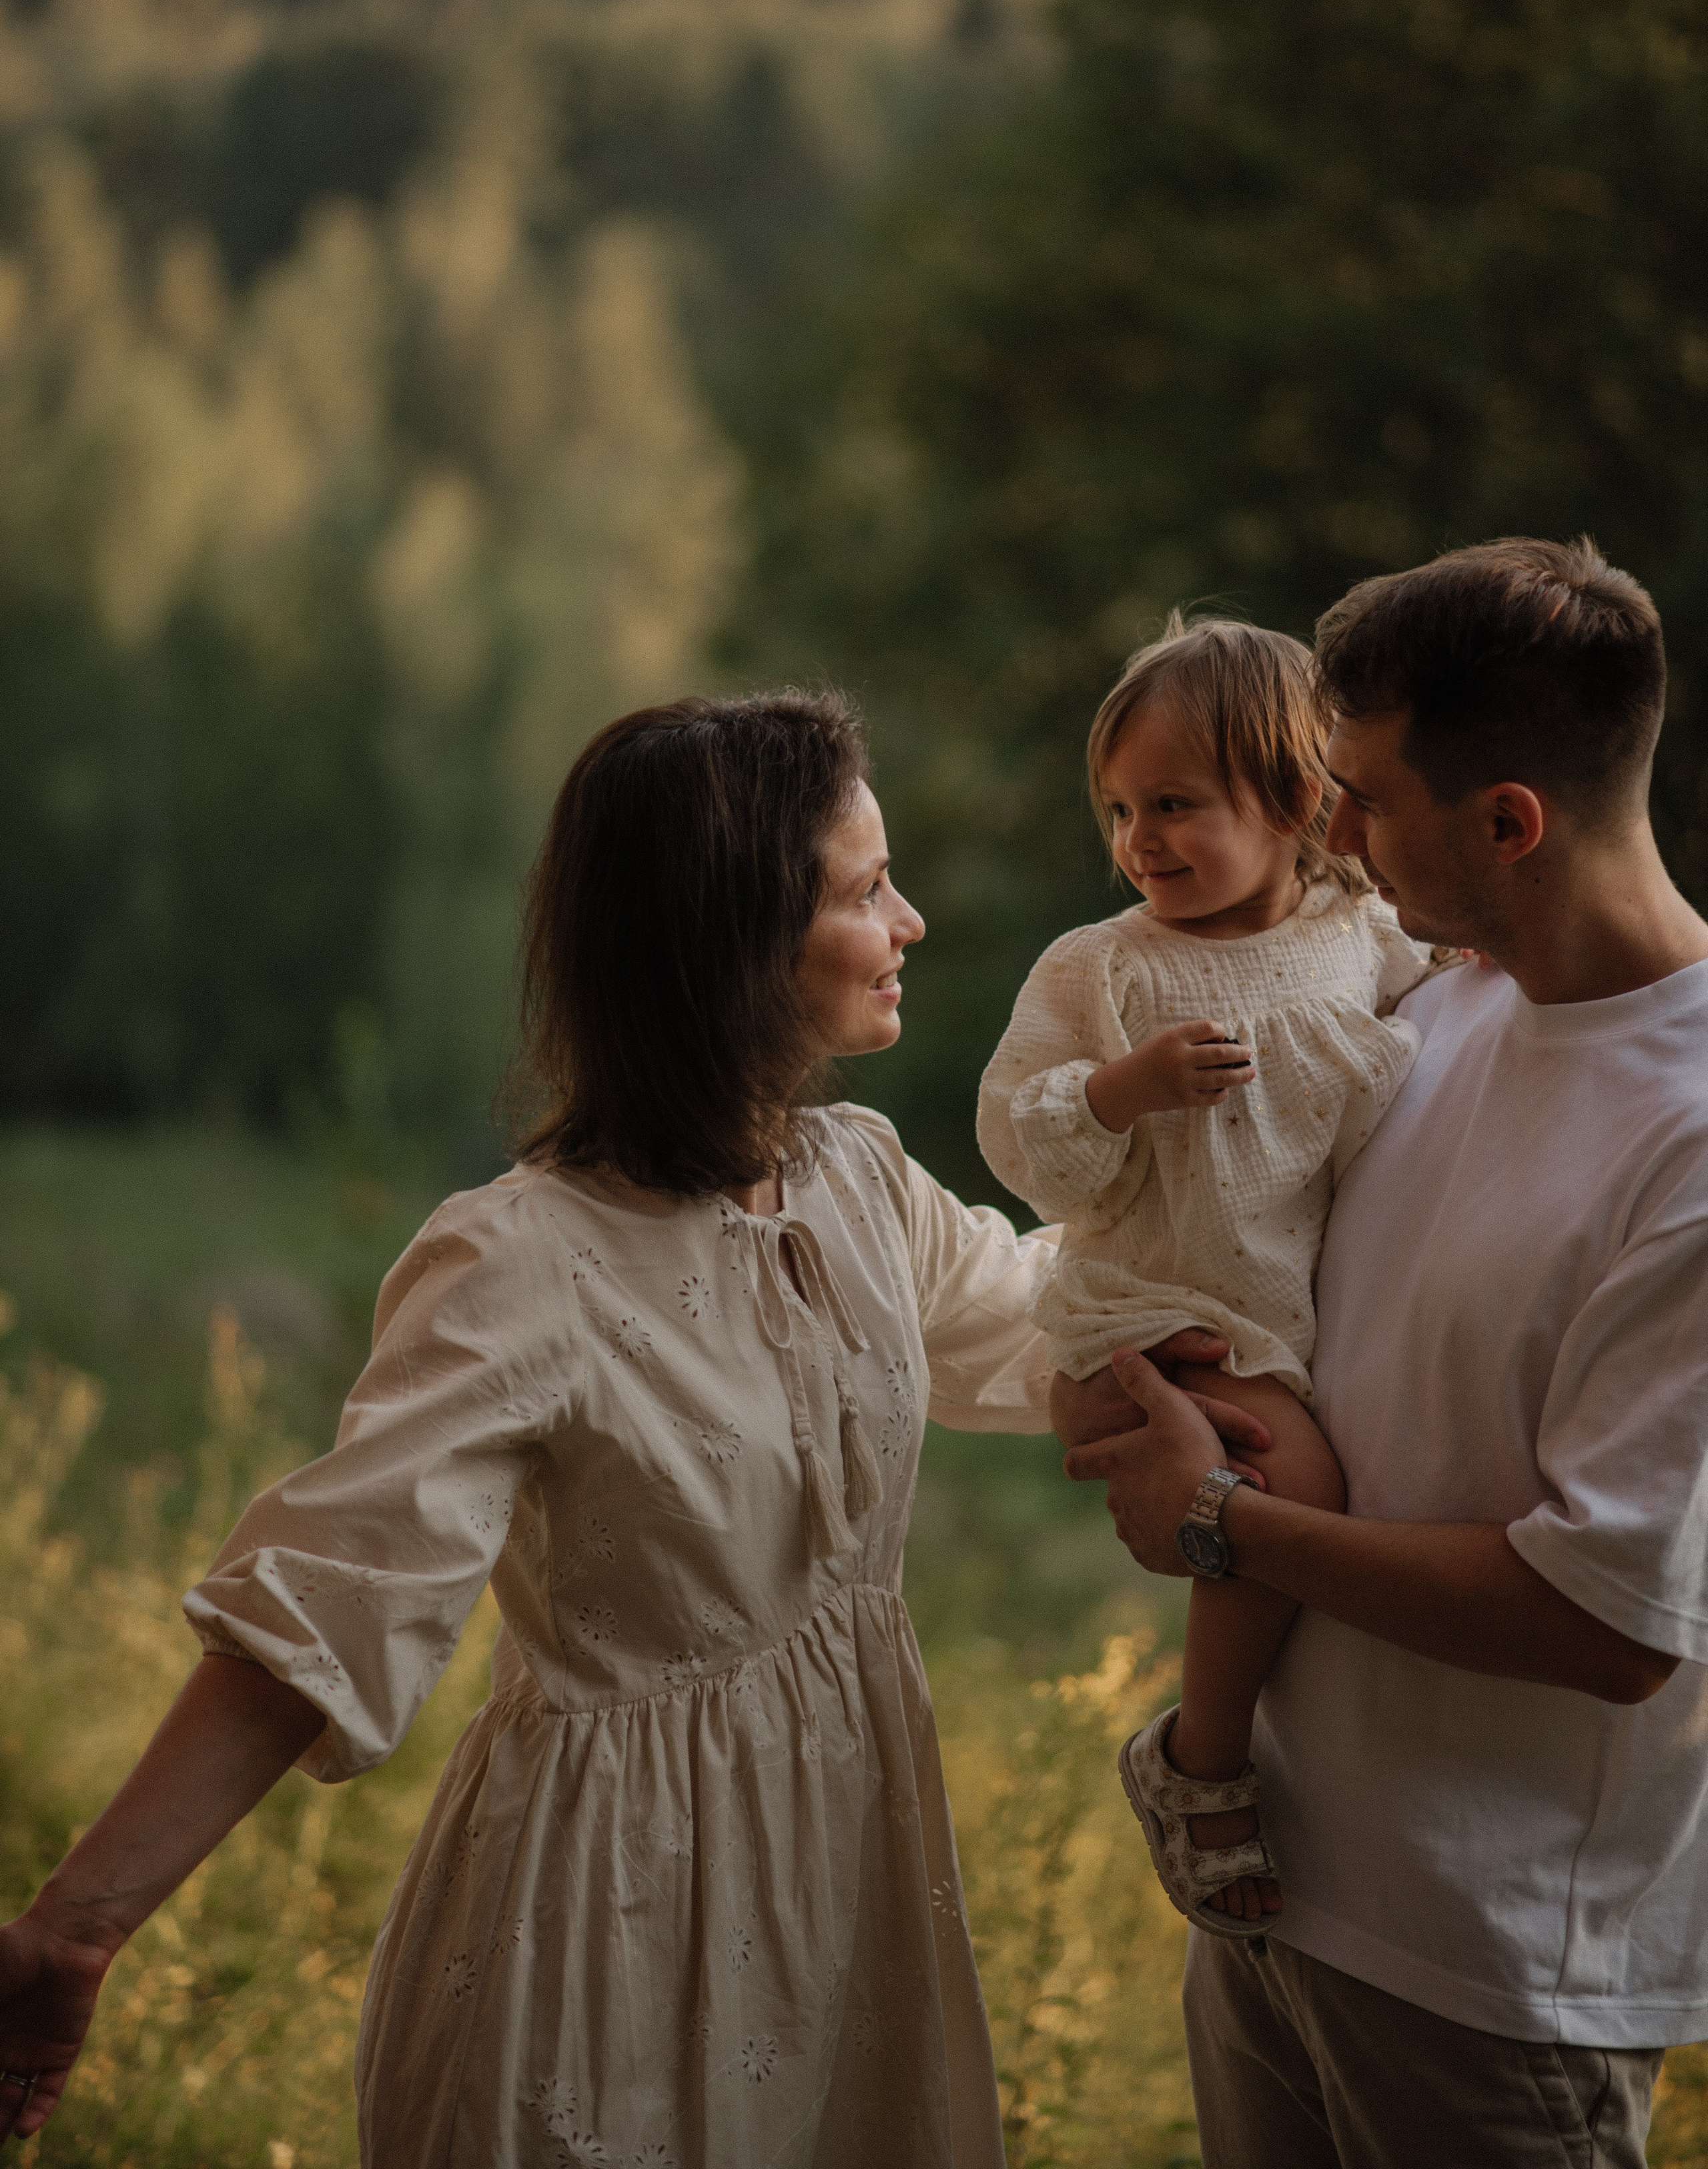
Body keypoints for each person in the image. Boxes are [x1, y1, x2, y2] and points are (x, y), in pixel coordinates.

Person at [0, 691, 1064, 2168]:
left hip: (845, 1890)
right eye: (864, 887)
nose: (913, 920)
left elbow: (1056, 1318)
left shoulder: (855, 1182)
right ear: (734, 937)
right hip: (610, 1928)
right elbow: (330, 1599)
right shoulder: (522, 1262)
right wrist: (76, 1928)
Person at [1055, 537, 1708, 2169]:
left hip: (1483, 1978)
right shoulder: (1424, 1010)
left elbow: (1607, 1620)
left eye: (1358, 794)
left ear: (1507, 822)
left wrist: (1220, 1525)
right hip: (1270, 1901)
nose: (1325, 833)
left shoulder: (1689, 1141)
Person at [977, 617, 1444, 1933]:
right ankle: (1201, 1760)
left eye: (1173, 805)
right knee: (1291, 1486)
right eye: (1119, 810)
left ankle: (1223, 1739)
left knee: (1285, 1486)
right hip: (1139, 1312)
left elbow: (1449, 1000)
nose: (1139, 841)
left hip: (1263, 1315)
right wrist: (1117, 1092)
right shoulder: (1102, 967)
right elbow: (1014, 1132)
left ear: (1296, 800)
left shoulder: (1361, 934)